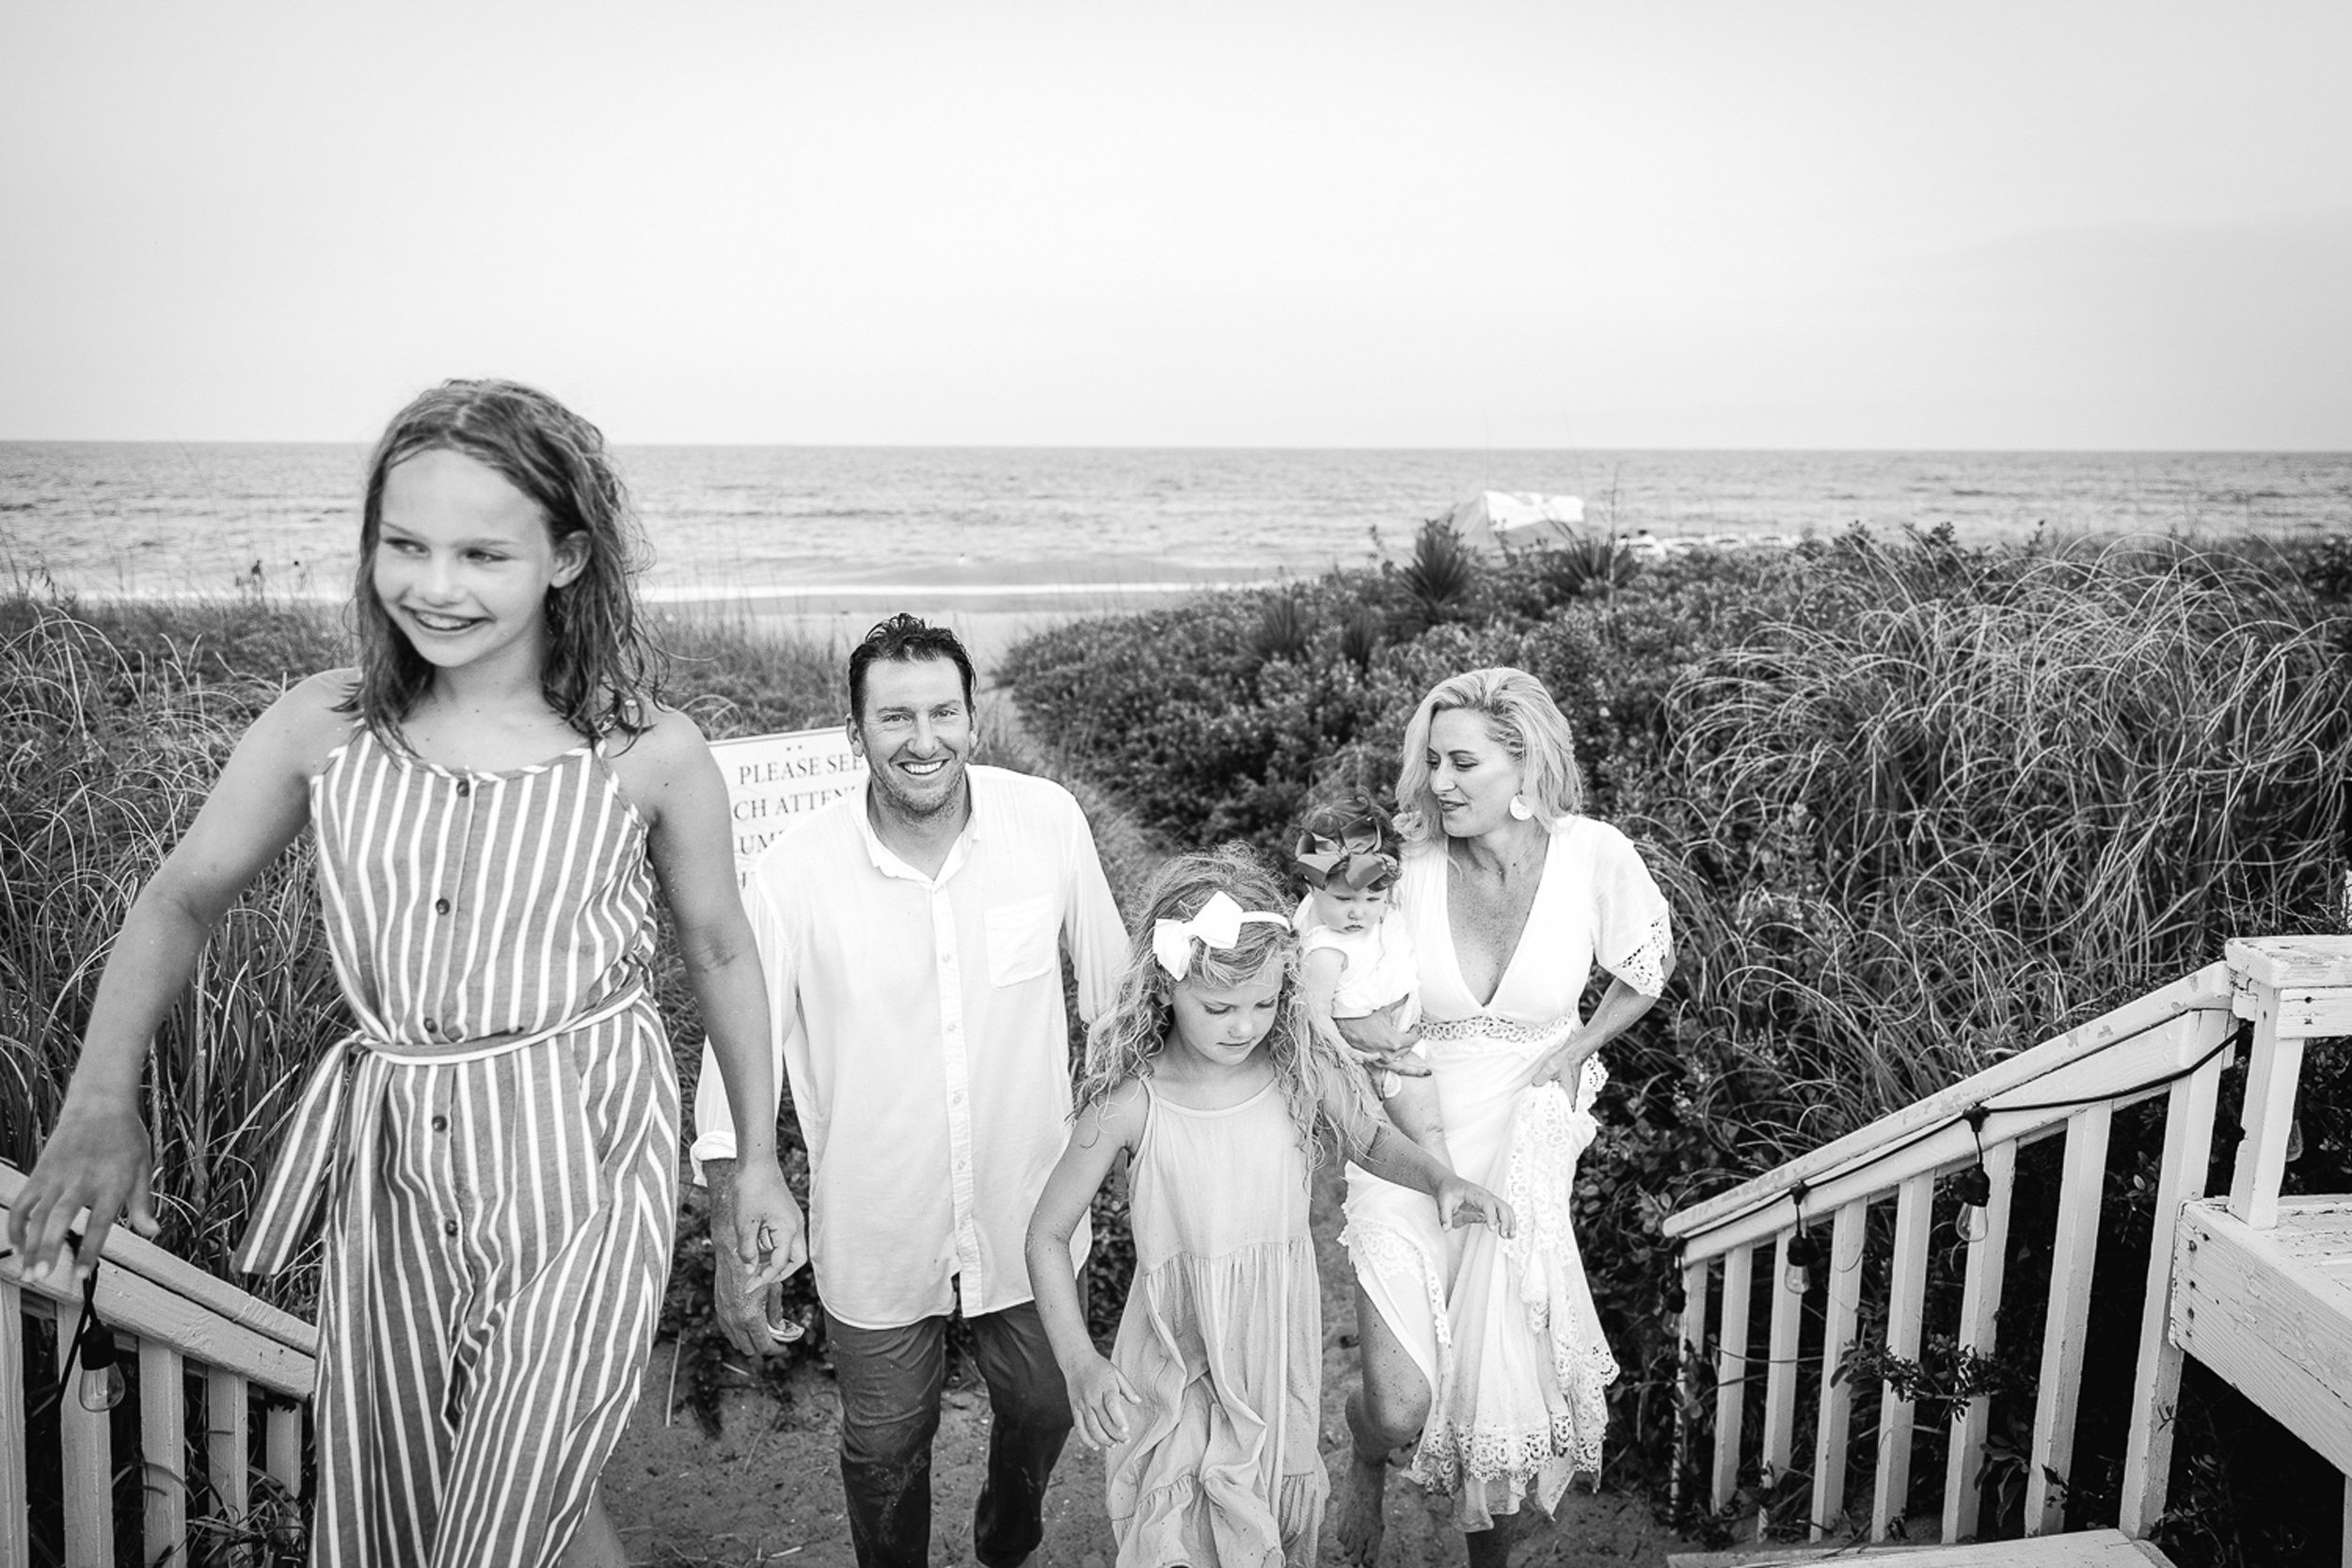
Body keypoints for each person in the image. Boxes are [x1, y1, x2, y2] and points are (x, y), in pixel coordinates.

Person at [5, 379, 800, 1568]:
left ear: (567, 557)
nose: (436, 584)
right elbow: (180, 896)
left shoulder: (650, 750)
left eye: (483, 551)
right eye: (404, 544)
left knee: (514, 1497)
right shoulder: (320, 726)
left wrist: (752, 1160)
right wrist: (97, 1099)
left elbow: (722, 947)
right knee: (396, 1506)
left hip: (585, 1152)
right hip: (392, 1165)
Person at [692, 612, 1128, 1568]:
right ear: (856, 733)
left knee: (1043, 1405)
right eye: (894, 717)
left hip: (1030, 1212)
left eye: (943, 711)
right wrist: (734, 1220)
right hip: (877, 1221)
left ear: (974, 716)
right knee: (885, 1445)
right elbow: (738, 1055)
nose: (922, 739)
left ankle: (1006, 1537)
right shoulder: (794, 870)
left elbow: (1116, 997)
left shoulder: (1045, 820)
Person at [1025, 846, 1514, 1568]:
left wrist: (1438, 1177)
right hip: (1173, 1348)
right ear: (1165, 989)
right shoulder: (1130, 1101)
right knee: (1177, 1528)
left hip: (1272, 1345)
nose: (1243, 1025)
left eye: (1263, 1002)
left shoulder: (1297, 1069)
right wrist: (1078, 1361)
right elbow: (1045, 1235)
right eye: (1219, 1006)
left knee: (1265, 1523)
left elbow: (1370, 1138)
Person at [1333, 667, 1674, 1568]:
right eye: (1432, 761)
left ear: (1524, 767)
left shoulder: (1593, 853)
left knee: (1504, 1394)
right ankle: (1364, 1449)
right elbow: (1326, 955)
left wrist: (1576, 1047)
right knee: (1402, 1404)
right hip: (1411, 1136)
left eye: (1463, 763)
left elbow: (1647, 962)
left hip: (1524, 1143)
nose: (1439, 782)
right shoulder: (1400, 870)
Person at [1291, 793, 1452, 1173]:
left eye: (1372, 896)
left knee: (1432, 1132)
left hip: (1408, 1038)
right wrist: (1356, 1060)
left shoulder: (1379, 910)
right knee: (1429, 1132)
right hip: (1380, 1059)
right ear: (1311, 887)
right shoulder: (1328, 949)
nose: (1358, 912)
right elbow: (1317, 1015)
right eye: (1344, 898)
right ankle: (1449, 1190)